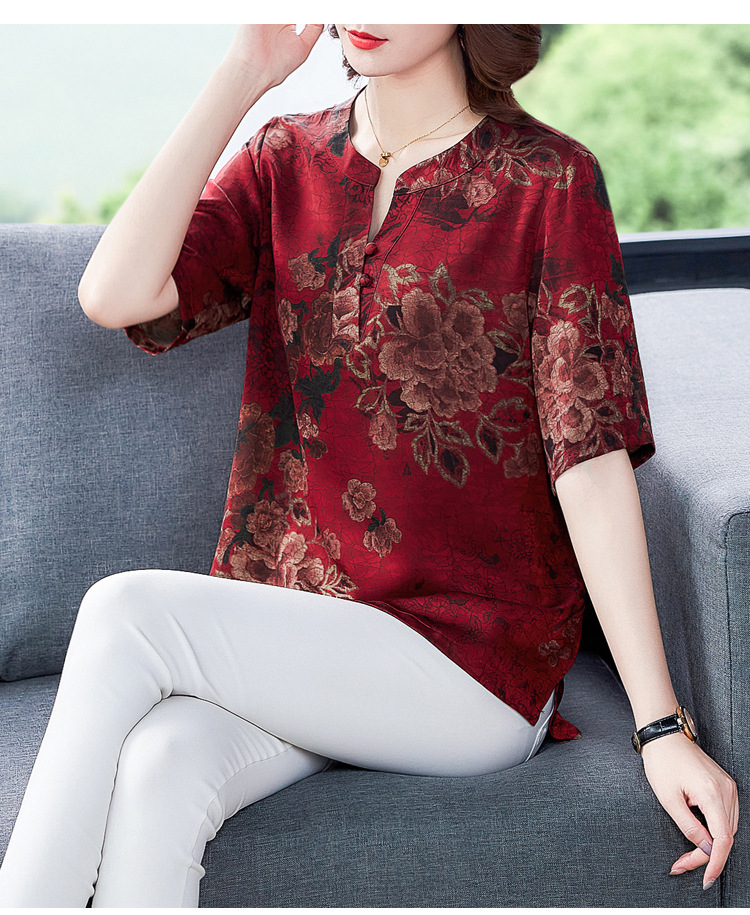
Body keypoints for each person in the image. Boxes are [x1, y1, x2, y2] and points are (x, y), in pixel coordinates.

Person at [0, 23, 738, 908]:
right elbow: (115, 293)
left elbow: (590, 457)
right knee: (161, 768)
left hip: (472, 663)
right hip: (306, 639)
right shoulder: (286, 159)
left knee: (125, 613)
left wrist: (660, 726)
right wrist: (245, 72)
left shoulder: (550, 182)